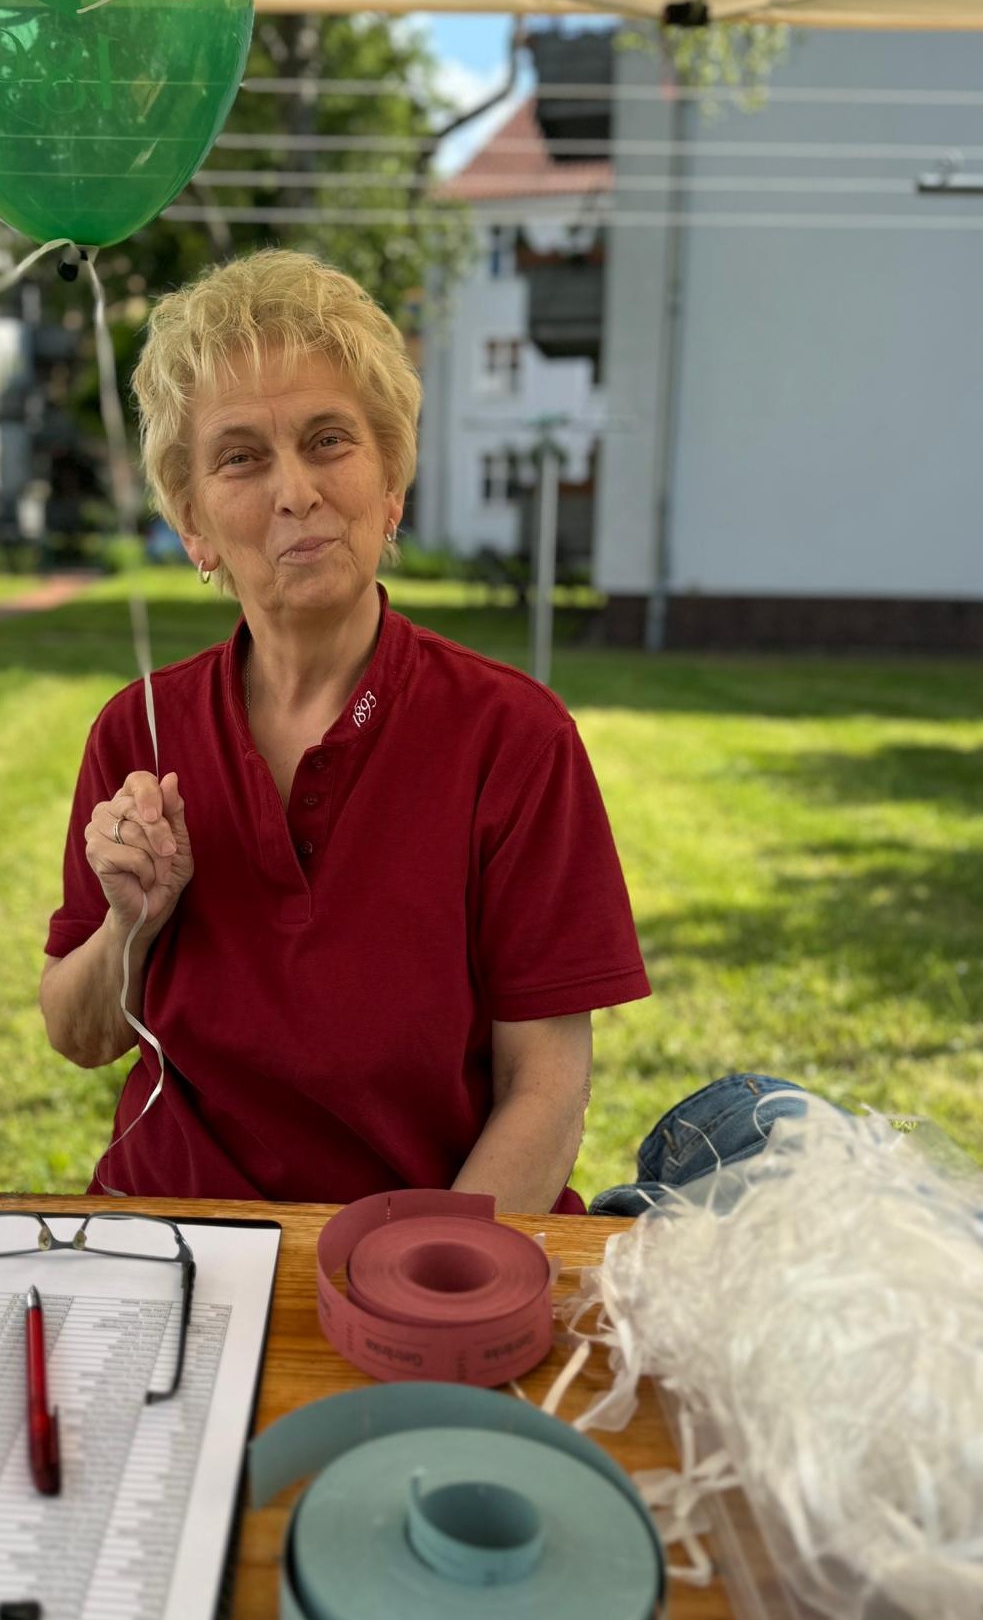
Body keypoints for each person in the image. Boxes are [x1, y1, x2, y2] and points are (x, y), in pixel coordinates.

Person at [39, 250, 799, 1214]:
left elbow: (545, 1089)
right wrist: (131, 924)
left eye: (328, 441)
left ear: (391, 483)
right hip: (180, 1238)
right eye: (241, 457)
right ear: (192, 524)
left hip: (434, 1239)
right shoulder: (137, 731)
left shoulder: (513, 738)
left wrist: (425, 1272)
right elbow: (80, 1035)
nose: (295, 491)